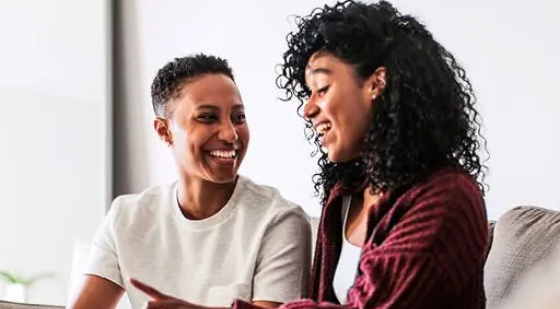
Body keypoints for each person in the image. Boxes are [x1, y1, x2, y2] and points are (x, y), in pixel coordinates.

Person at [130, 1, 489, 308]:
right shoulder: (345, 196)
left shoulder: (446, 198)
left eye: (321, 89)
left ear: (376, 84)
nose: (308, 109)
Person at [67, 54, 313, 309]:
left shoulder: (280, 220)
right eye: (207, 117)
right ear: (164, 131)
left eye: (238, 117)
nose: (230, 134)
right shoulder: (126, 218)